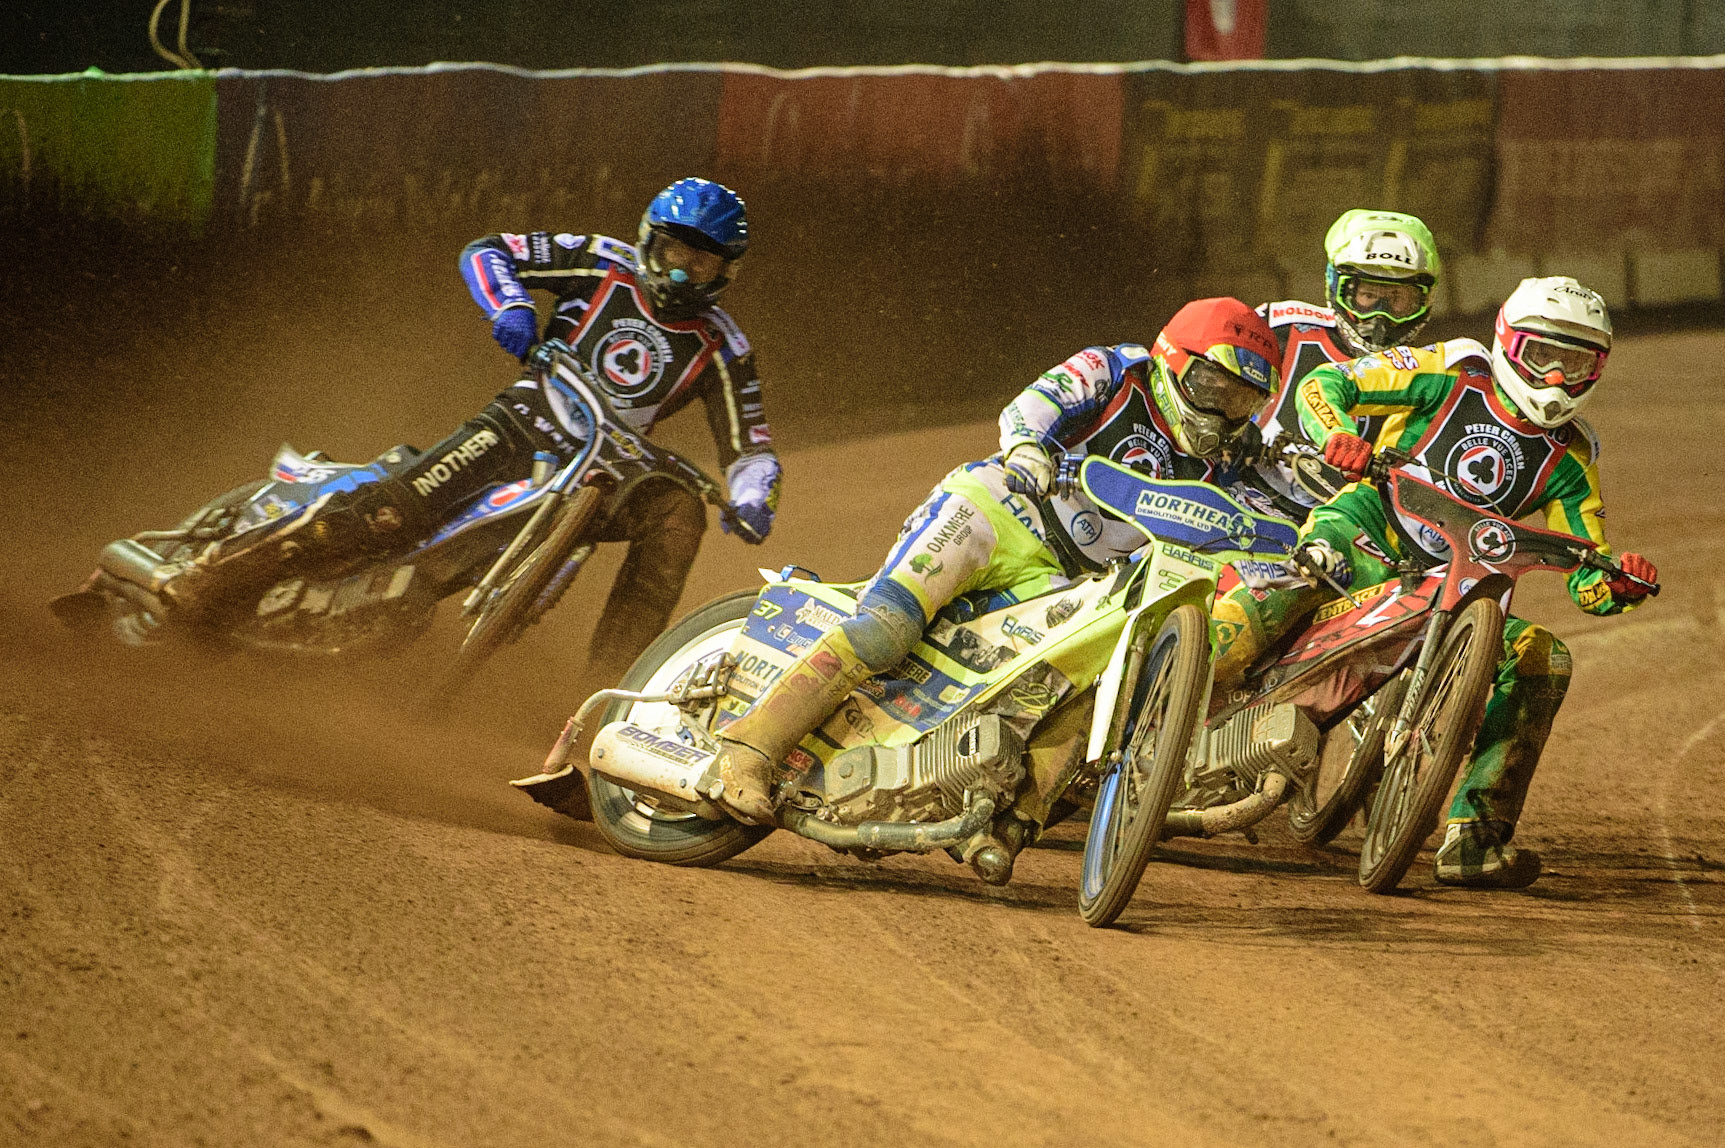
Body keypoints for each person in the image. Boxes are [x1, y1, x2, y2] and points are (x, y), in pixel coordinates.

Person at [162, 177, 780, 677]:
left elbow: (751, 444)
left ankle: (608, 695)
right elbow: (488, 249)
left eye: (701, 264)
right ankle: (215, 579)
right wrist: (509, 304)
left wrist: (753, 494)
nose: (681, 274)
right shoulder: (599, 263)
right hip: (521, 423)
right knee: (389, 515)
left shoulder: (724, 347)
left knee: (679, 516)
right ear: (651, 241)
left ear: (726, 272)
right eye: (675, 253)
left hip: (604, 470)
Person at [708, 297, 1281, 825]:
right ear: (1173, 361)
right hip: (996, 511)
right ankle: (746, 752)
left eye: (1241, 401)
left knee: (1056, 692)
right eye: (1212, 388)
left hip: (1070, 579)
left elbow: (1280, 507)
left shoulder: (1238, 454)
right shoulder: (1114, 370)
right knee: (888, 630)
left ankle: (1001, 819)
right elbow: (1037, 402)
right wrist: (1028, 444)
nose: (1221, 414)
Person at [1209, 276, 1658, 887]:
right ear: (1507, 342)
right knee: (1299, 576)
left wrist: (1619, 586)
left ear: (1596, 369)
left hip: (1456, 585)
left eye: (1573, 363)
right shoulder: (1455, 368)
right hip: (1367, 528)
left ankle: (1474, 837)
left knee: (1542, 657)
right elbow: (1327, 384)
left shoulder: (1573, 456)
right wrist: (1337, 433)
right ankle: (1177, 696)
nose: (1554, 379)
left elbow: (1588, 573)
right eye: (1540, 357)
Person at [1245, 209, 1442, 520]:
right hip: (1247, 504)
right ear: (1336, 286)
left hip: (1351, 537)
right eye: (1367, 295)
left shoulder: (1429, 376)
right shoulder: (1280, 329)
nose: (1381, 316)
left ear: (1423, 301)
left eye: (1397, 299)